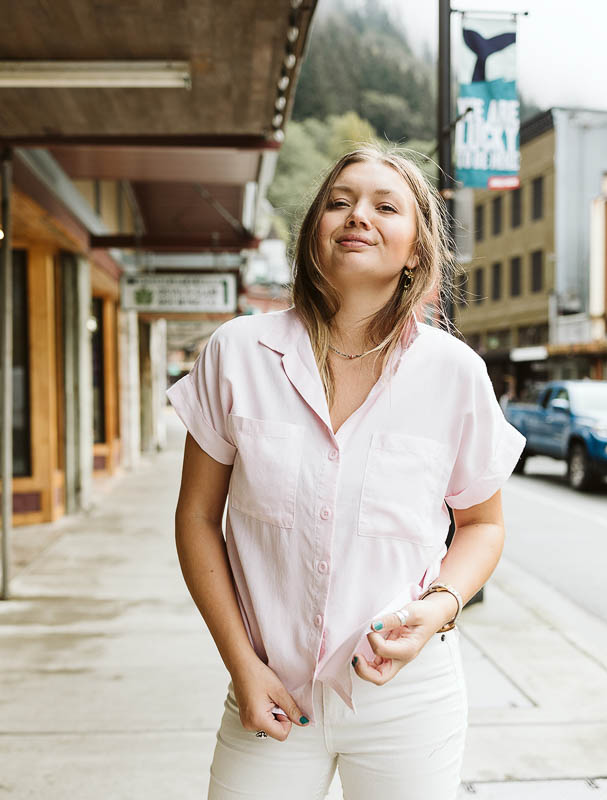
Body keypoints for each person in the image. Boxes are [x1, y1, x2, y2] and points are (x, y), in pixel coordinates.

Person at [166, 143, 526, 800]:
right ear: (314, 235)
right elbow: (195, 518)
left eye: (385, 206)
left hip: (408, 697)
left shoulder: (454, 375)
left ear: (416, 250)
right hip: (270, 686)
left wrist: (441, 607)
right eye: (340, 202)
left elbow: (482, 525)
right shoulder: (237, 354)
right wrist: (241, 666)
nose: (358, 215)